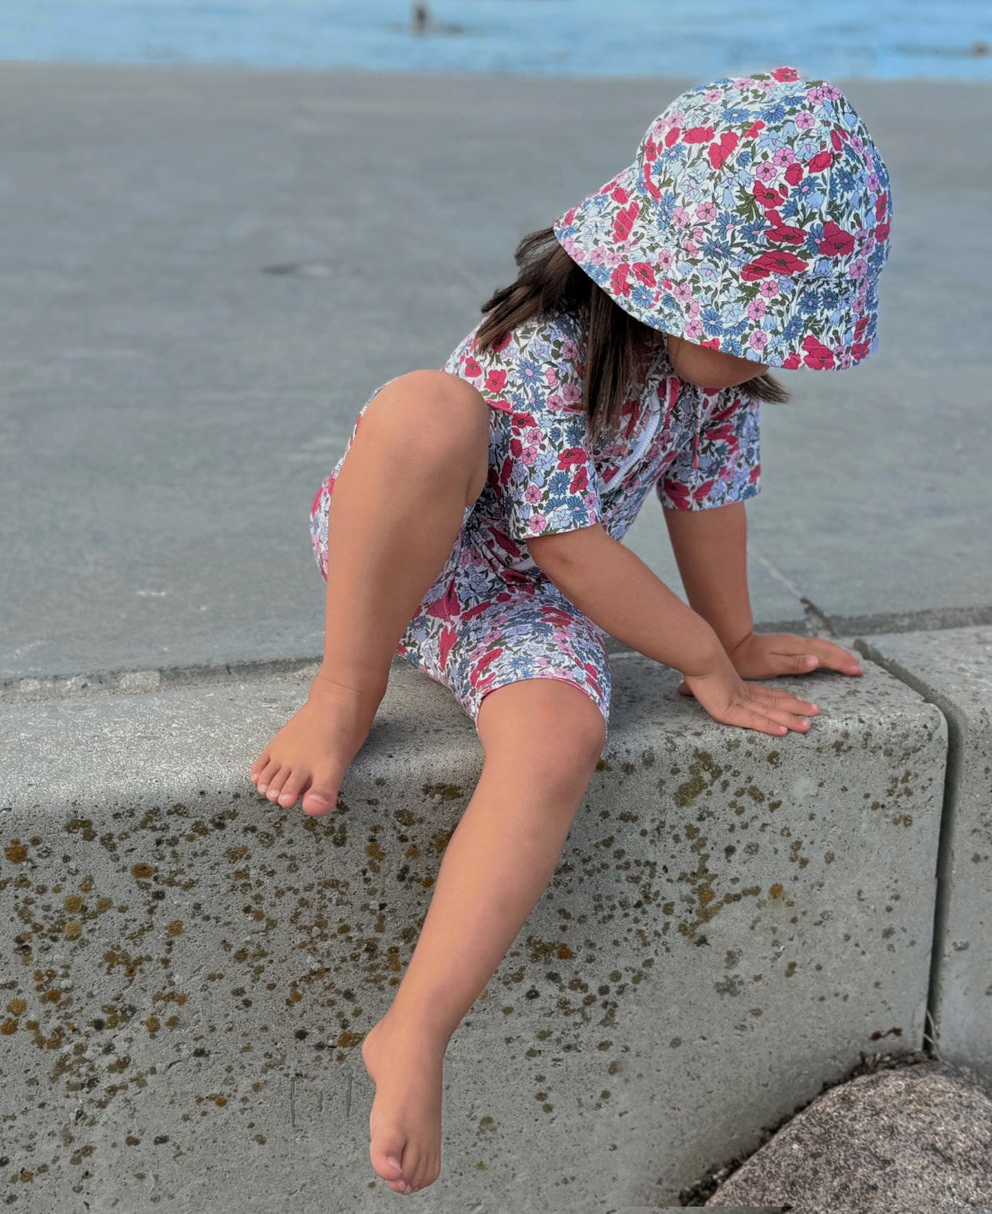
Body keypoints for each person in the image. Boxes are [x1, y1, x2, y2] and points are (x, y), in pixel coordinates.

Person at [251, 65, 892, 1196]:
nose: (766, 352)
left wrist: (732, 636)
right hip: (415, 550)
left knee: (553, 745)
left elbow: (706, 507)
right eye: (751, 323)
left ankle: (415, 1026)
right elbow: (563, 541)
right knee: (419, 408)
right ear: (668, 282)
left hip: (524, 608)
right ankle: (345, 689)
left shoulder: (708, 386)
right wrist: (695, 658)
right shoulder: (541, 347)